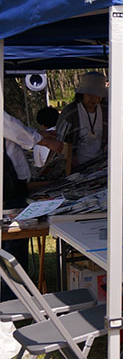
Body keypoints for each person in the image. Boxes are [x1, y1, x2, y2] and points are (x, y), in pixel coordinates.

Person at [2, 111, 63, 301]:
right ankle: (12, 297)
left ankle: (14, 292)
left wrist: (40, 135)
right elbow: (12, 127)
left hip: (13, 187)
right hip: (9, 188)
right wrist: (44, 140)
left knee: (13, 243)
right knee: (13, 242)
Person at [55, 71, 108, 168]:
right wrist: (69, 158)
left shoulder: (106, 110)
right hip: (77, 164)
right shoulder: (71, 112)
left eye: (98, 96)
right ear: (82, 94)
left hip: (101, 162)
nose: (95, 99)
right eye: (90, 95)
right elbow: (60, 138)